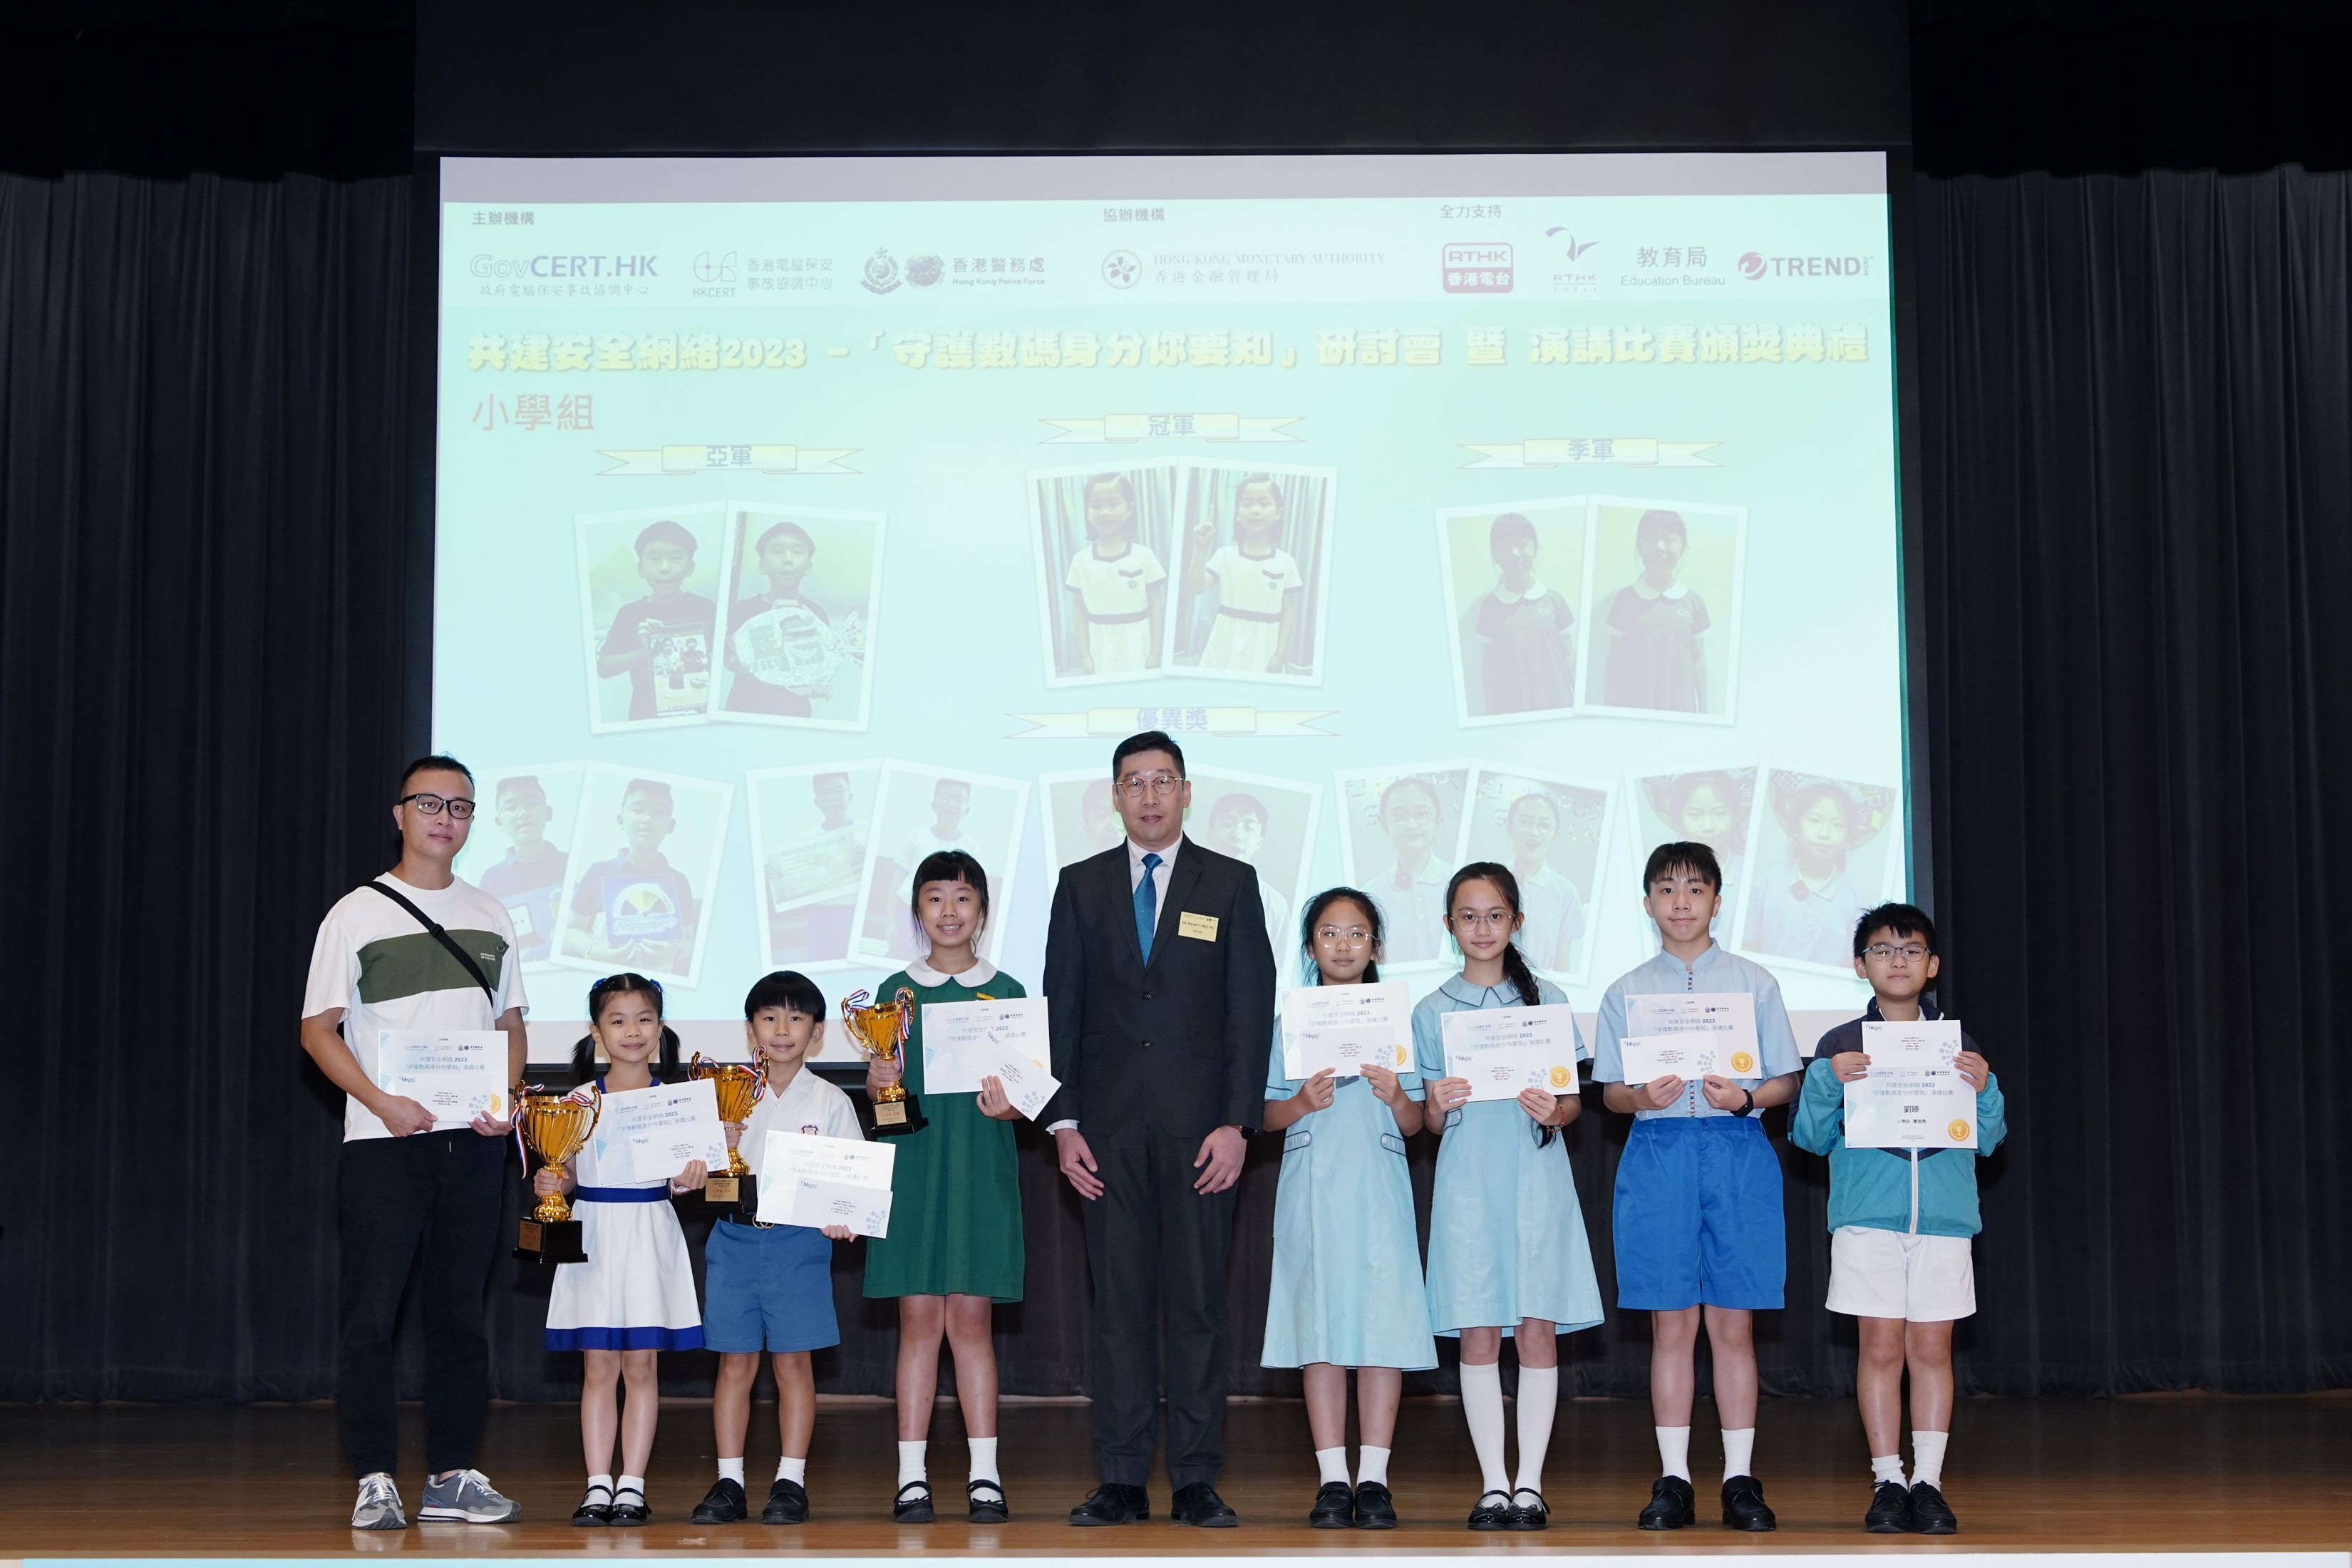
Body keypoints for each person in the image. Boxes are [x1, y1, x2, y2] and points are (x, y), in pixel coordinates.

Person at [1043, 730, 1277, 1527]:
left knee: (1200, 1306)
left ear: (1186, 791)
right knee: (1119, 1309)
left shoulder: (1233, 882)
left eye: (1163, 780)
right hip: (1104, 1134)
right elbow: (1061, 1011)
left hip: (1200, 1135)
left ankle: (1197, 1476)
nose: (1149, 795)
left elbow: (1251, 1013)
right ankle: (1119, 1476)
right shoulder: (1080, 886)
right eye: (1133, 782)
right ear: (1113, 796)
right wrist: (1064, 1123)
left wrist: (1238, 1122)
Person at [298, 754, 528, 1530]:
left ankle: (453, 1474)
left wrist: (507, 1096)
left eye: (460, 807)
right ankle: (374, 1476)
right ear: (399, 813)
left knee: (460, 1312)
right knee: (373, 1313)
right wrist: (382, 1101)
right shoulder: (355, 913)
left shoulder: (493, 913)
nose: (445, 817)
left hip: (475, 1141)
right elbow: (317, 1031)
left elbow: (510, 1023)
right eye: (429, 803)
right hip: (382, 1140)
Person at [1592, 841, 1804, 1532]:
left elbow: (1785, 1079)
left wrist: (1746, 1097)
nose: (1680, 902)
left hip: (1736, 1151)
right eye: (1666, 889)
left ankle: (1741, 1478)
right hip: (1657, 1154)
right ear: (1648, 902)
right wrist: (1639, 1094)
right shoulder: (1625, 991)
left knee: (1734, 1326)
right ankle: (1674, 1478)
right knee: (1671, 1327)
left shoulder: (1755, 982)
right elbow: (1612, 1096)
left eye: (1694, 889)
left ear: (1717, 898)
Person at [1792, 904, 2005, 1537]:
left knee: (1932, 1349)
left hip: (1942, 1219)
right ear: (1861, 966)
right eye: (1883, 951)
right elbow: (1807, 1137)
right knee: (1880, 1348)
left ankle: (1929, 1484)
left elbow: (1989, 1139)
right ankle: (1888, 1479)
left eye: (1911, 951)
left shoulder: (1958, 1044)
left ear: (1932, 965)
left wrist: (1986, 1088)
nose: (1898, 960)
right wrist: (1828, 1082)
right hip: (1867, 1220)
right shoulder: (1839, 1044)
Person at [1416, 864, 1603, 1532]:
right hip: (1468, 1184)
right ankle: (1492, 1484)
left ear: (1517, 921)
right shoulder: (1431, 1009)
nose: (1483, 928)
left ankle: (1530, 1484)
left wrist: (1555, 1111)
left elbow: (1574, 1106)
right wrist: (1434, 1104)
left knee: (1536, 1329)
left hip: (1535, 1180)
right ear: (1449, 926)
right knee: (1475, 1331)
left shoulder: (1546, 998)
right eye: (1468, 916)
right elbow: (1430, 1122)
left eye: (1495, 915)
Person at [861, 850, 1026, 1524]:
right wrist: (877, 1082)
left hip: (980, 1168)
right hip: (915, 1166)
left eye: (963, 898)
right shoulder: (892, 995)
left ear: (982, 910)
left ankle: (985, 1474)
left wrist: (1008, 1106)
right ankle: (911, 1476)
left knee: (972, 1322)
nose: (949, 912)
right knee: (919, 1321)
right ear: (918, 912)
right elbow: (883, 1094)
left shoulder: (1009, 990)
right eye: (935, 898)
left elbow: (1028, 1097)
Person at [1262, 888, 1434, 1530]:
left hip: (1380, 1188)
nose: (1343, 945)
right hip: (1311, 1187)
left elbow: (1418, 1124)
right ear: (1310, 947)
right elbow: (1264, 1115)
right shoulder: (1290, 1024)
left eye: (1357, 934)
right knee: (1322, 1332)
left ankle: (1375, 1479)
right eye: (1329, 934)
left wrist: (1396, 1097)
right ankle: (1334, 1478)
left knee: (1382, 1331)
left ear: (1376, 947)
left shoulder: (1400, 1024)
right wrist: (1301, 1102)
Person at [691, 971, 862, 1527]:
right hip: (734, 1240)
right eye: (769, 1018)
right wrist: (719, 1144)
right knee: (734, 1364)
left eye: (796, 1018)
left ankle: (791, 1480)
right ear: (750, 1031)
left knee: (794, 1364)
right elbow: (687, 1175)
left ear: (817, 1033)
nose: (782, 1030)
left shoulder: (831, 1100)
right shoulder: (725, 1096)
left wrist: (845, 1216)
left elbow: (852, 1182)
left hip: (799, 1244)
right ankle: (729, 1481)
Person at [540, 975, 708, 1527]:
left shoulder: (679, 1102)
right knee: (598, 1367)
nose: (631, 1031)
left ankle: (632, 1486)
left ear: (660, 1028)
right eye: (617, 1020)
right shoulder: (576, 1104)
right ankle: (596, 1486)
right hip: (593, 1231)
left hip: (649, 1230)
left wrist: (692, 1177)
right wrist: (551, 1184)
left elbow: (689, 1181)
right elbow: (562, 1177)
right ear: (595, 1031)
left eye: (643, 1019)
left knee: (641, 1365)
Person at [564, 778, 699, 975]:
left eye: (658, 811)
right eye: (638, 809)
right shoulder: (597, 872)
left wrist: (675, 950)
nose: (647, 819)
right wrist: (593, 950)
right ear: (621, 820)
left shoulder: (679, 881)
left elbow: (688, 940)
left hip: (657, 984)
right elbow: (571, 930)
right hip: (603, 980)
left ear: (671, 825)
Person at [596, 518, 717, 722]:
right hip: (645, 717)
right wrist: (646, 652)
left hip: (698, 715)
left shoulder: (705, 608)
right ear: (641, 568)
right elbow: (604, 668)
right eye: (654, 559)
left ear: (690, 567)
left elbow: (723, 658)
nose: (664, 568)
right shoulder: (630, 613)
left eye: (675, 558)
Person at [1747, 778, 1877, 966]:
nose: (1824, 833)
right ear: (1796, 827)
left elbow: (1853, 967)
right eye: (1814, 820)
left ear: (1847, 836)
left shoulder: (1856, 901)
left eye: (1837, 824)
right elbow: (1748, 946)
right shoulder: (1768, 883)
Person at [1185, 473, 1305, 674]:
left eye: (1264, 503)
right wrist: (1201, 548)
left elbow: (1289, 613)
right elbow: (1195, 587)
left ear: (1278, 513)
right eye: (1247, 504)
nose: (1255, 510)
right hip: (1223, 646)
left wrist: (1279, 656)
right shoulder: (1224, 555)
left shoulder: (1286, 562)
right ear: (1238, 514)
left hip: (1264, 648)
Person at [1598, 508, 1711, 712]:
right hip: (1632, 708)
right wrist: (1608, 707)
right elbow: (1613, 659)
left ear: (1683, 548)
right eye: (1650, 539)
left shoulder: (1694, 602)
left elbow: (1699, 659)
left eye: (1669, 540)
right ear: (1639, 548)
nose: (1660, 548)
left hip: (1680, 708)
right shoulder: (1625, 600)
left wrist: (1704, 707)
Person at [724, 519, 837, 717]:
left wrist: (819, 684)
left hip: (794, 713)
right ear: (762, 566)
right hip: (742, 709)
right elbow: (727, 658)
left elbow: (819, 664)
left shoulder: (816, 615)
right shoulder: (742, 610)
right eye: (777, 551)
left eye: (797, 552)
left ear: (808, 567)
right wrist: (736, 663)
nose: (788, 559)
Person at [1466, 513, 1575, 715]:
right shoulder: (1490, 607)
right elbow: (1489, 668)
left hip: (1558, 703)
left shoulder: (1555, 600)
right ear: (1495, 556)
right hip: (1513, 707)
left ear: (1536, 550)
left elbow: (1568, 654)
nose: (1515, 553)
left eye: (1522, 544)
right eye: (1505, 547)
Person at [1063, 473, 1167, 676]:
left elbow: (1156, 605)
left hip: (1138, 642)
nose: (1105, 512)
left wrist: (1155, 653)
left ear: (1130, 509)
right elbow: (1079, 610)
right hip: (1099, 644)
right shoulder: (1081, 561)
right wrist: (1084, 654)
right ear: (1087, 512)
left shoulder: (1144, 556)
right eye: (1096, 506)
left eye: (1114, 503)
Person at [764, 770, 864, 964]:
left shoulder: (865, 831)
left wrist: (866, 862)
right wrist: (775, 877)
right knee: (822, 960)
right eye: (825, 793)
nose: (833, 798)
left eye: (838, 790)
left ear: (850, 796)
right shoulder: (808, 838)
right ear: (817, 802)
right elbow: (797, 878)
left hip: (855, 909)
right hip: (820, 912)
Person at [883, 778, 981, 960]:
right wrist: (889, 922)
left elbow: (975, 893)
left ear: (967, 809)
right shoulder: (916, 837)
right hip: (908, 911)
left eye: (958, 799)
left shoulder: (971, 847)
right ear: (934, 804)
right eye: (945, 797)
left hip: (948, 918)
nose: (951, 803)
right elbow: (897, 880)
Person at [477, 773, 569, 964]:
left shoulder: (570, 865)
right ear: (499, 822)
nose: (523, 813)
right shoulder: (491, 880)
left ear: (548, 812)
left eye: (532, 803)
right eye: (511, 807)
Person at [1642, 770, 1749, 934]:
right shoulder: (1658, 876)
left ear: (1735, 816)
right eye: (1695, 814)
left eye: (1719, 813)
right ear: (1680, 819)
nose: (1708, 826)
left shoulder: (1748, 877)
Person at [1499, 792, 1587, 973]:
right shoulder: (1490, 882)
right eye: (1525, 822)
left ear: (1555, 835)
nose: (1534, 832)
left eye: (1544, 825)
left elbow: (1562, 963)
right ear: (1509, 828)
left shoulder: (1565, 892)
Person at [1366, 776, 1451, 963]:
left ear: (1438, 821)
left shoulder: (1461, 884)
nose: (1411, 824)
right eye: (1399, 815)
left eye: (1421, 814)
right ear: (1384, 824)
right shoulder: (1370, 895)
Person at [1205, 790, 1292, 966]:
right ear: (1210, 834)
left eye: (1249, 828)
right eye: (1228, 823)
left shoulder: (1275, 904)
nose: (1237, 834)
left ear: (1259, 843)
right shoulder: (1182, 888)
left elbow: (1280, 968)